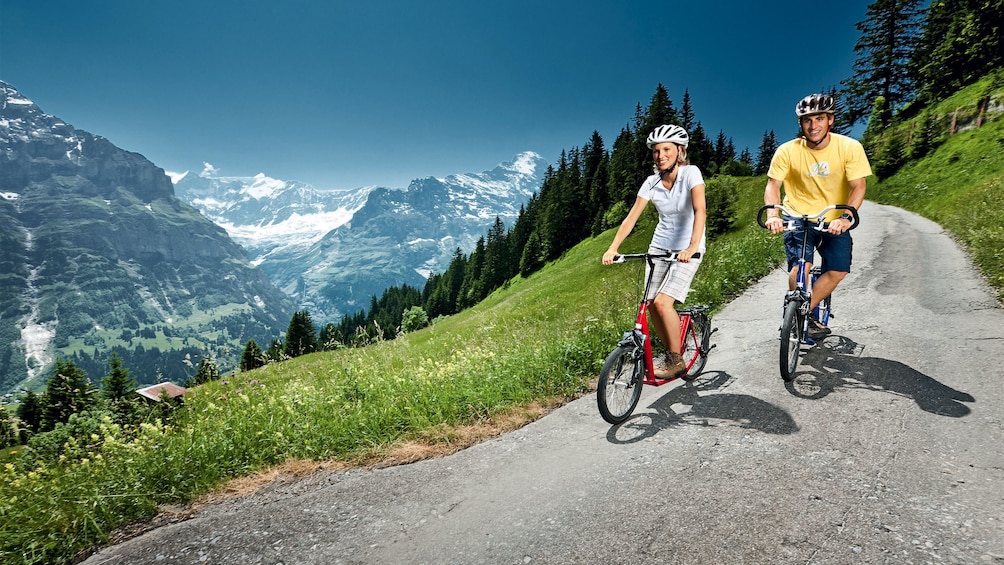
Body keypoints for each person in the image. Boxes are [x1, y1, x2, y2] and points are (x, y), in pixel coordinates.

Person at [763, 93, 872, 340]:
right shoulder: (787, 151)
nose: (813, 126)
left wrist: (845, 217)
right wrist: (773, 214)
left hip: (832, 220)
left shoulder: (849, 147)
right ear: (801, 124)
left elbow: (858, 186)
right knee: (799, 267)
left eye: (819, 119)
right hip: (797, 217)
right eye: (807, 120)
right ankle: (797, 307)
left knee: (838, 269)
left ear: (830, 120)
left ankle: (806, 311)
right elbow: (773, 185)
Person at [602, 124, 707, 378]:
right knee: (649, 304)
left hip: (687, 248)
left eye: (667, 149)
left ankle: (675, 359)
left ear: (679, 151)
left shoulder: (691, 173)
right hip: (659, 246)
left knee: (662, 302)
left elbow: (700, 210)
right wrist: (613, 247)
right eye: (656, 151)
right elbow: (630, 219)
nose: (661, 155)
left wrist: (692, 246)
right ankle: (673, 346)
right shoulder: (651, 182)